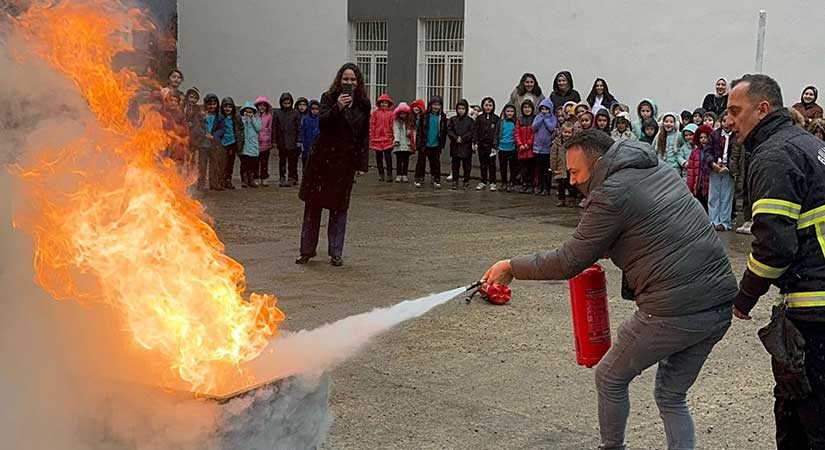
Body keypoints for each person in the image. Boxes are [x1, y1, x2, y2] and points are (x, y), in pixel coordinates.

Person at [482, 130, 736, 450]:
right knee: (671, 395)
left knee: (610, 378)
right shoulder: (655, 168)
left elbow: (568, 261)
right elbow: (651, 226)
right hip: (718, 304)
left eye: (575, 172)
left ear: (599, 163)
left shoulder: (612, 194)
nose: (572, 181)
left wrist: (510, 266)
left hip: (672, 309)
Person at [727, 74, 825, 450]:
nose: (728, 120)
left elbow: (774, 246)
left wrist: (743, 298)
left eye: (736, 111)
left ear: (763, 109)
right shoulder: (809, 144)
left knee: (806, 420)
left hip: (813, 312)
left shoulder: (774, 155)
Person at [297, 62, 370, 267]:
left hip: (344, 162)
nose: (349, 83)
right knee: (313, 206)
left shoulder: (363, 104)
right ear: (339, 80)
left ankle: (336, 252)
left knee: (339, 208)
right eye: (345, 79)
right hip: (323, 160)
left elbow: (364, 135)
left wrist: (361, 164)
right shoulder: (328, 98)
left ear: (358, 82)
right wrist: (338, 107)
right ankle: (306, 250)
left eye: (353, 80)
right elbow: (323, 123)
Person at [707, 117, 735, 231]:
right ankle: (713, 220)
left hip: (728, 170)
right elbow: (708, 150)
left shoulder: (736, 136)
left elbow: (737, 153)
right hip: (715, 168)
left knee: (726, 196)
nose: (726, 124)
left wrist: (729, 167)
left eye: (729, 121)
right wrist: (712, 163)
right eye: (724, 121)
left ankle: (724, 222)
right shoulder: (714, 135)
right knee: (714, 195)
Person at [414, 95, 448, 189]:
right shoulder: (424, 116)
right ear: (430, 105)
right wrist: (419, 144)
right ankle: (418, 178)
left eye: (438, 105)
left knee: (435, 163)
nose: (436, 107)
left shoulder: (443, 117)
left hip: (436, 143)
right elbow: (420, 131)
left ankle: (436, 179)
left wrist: (442, 144)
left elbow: (444, 131)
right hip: (424, 143)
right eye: (434, 104)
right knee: (421, 162)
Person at [274, 92, 302, 187]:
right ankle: (282, 177)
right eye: (284, 103)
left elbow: (299, 128)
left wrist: (298, 140)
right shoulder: (277, 113)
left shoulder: (295, 113)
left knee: (292, 162)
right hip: (281, 142)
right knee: (282, 161)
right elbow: (274, 128)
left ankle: (291, 177)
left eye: (288, 103)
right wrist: (274, 141)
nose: (286, 105)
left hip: (292, 142)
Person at [447, 99, 474, 190]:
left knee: (467, 165)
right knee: (455, 165)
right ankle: (455, 180)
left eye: (463, 108)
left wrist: (463, 138)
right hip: (455, 146)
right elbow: (449, 130)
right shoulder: (453, 119)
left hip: (466, 146)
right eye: (459, 108)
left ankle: (466, 181)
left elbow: (471, 132)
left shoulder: (470, 120)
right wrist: (455, 138)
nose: (461, 110)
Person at [473, 96, 499, 191]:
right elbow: (475, 130)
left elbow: (497, 132)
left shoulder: (496, 118)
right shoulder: (479, 118)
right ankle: (483, 181)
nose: (488, 107)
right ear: (483, 106)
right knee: (483, 164)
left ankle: (493, 182)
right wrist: (475, 142)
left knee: (492, 164)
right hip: (481, 144)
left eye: (490, 105)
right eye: (486, 105)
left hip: (492, 145)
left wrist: (495, 145)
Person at [532, 98, 557, 196]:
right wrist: (540, 119)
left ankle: (547, 187)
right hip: (538, 148)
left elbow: (552, 128)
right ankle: (540, 186)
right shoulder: (538, 117)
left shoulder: (552, 118)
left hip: (547, 148)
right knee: (539, 169)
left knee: (547, 169)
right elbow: (533, 127)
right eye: (542, 109)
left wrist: (546, 119)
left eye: (546, 109)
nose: (544, 111)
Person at [218, 96, 244, 189]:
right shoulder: (220, 117)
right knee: (222, 163)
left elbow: (240, 130)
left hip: (232, 142)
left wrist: (240, 142)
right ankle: (221, 179)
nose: (227, 109)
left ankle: (228, 179)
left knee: (230, 163)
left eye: (229, 107)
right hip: (222, 143)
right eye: (225, 107)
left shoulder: (236, 118)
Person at [369, 93, 395, 182]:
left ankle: (389, 174)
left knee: (388, 157)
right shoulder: (375, 113)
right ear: (379, 103)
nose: (384, 104)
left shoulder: (391, 114)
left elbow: (392, 125)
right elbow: (372, 125)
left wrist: (392, 136)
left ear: (388, 104)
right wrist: (372, 136)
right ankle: (381, 174)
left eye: (385, 103)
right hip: (377, 138)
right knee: (378, 158)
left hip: (387, 138)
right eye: (382, 102)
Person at [687, 124, 713, 210]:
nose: (703, 140)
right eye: (701, 137)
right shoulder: (695, 152)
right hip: (698, 185)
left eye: (706, 137)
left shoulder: (714, 151)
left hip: (710, 184)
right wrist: (690, 187)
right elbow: (691, 172)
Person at [494, 104, 518, 192]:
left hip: (512, 148)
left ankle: (512, 183)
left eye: (512, 111)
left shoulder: (516, 122)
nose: (510, 113)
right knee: (503, 167)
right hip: (502, 148)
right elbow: (496, 134)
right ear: (504, 112)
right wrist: (495, 145)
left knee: (513, 167)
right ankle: (504, 182)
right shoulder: (501, 122)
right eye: (508, 111)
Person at [550, 121, 576, 207]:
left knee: (571, 185)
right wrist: (553, 168)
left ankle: (572, 199)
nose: (567, 134)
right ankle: (561, 199)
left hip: (570, 167)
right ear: (562, 132)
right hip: (560, 167)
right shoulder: (557, 143)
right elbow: (553, 155)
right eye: (565, 132)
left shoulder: (574, 143)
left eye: (569, 132)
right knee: (561, 185)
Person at [515, 99, 537, 194]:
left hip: (531, 149)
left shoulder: (535, 119)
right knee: (523, 169)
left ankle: (531, 185)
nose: (527, 109)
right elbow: (516, 133)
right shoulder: (519, 119)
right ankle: (525, 184)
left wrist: (528, 144)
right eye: (525, 107)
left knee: (531, 168)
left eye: (529, 107)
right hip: (521, 149)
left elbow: (534, 133)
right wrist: (520, 144)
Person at [238, 101, 262, 188]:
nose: (248, 113)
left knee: (252, 165)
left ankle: (251, 179)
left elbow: (259, 128)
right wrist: (244, 120)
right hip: (244, 147)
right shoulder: (241, 120)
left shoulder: (256, 120)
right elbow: (240, 128)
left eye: (250, 112)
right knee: (244, 165)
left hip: (253, 146)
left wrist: (252, 119)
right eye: (246, 112)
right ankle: (244, 180)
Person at [391, 101, 415, 183]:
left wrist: (411, 136)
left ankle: (405, 174)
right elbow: (396, 130)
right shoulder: (396, 121)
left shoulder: (410, 122)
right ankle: (398, 174)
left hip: (407, 144)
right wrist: (396, 140)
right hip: (399, 144)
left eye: (404, 113)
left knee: (406, 160)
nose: (403, 115)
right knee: (399, 160)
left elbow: (414, 131)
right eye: (401, 113)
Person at [254, 96, 275, 186]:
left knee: (264, 162)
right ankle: (256, 177)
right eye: (260, 105)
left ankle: (264, 177)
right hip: (255, 142)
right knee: (255, 162)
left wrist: (270, 140)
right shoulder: (254, 115)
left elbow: (270, 128)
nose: (262, 107)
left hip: (266, 142)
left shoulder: (269, 116)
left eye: (264, 106)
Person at [300, 99, 321, 166]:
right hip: (307, 144)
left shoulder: (321, 119)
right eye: (313, 109)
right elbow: (303, 132)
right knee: (307, 163)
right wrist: (303, 144)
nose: (315, 111)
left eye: (316, 109)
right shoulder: (306, 119)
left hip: (318, 145)